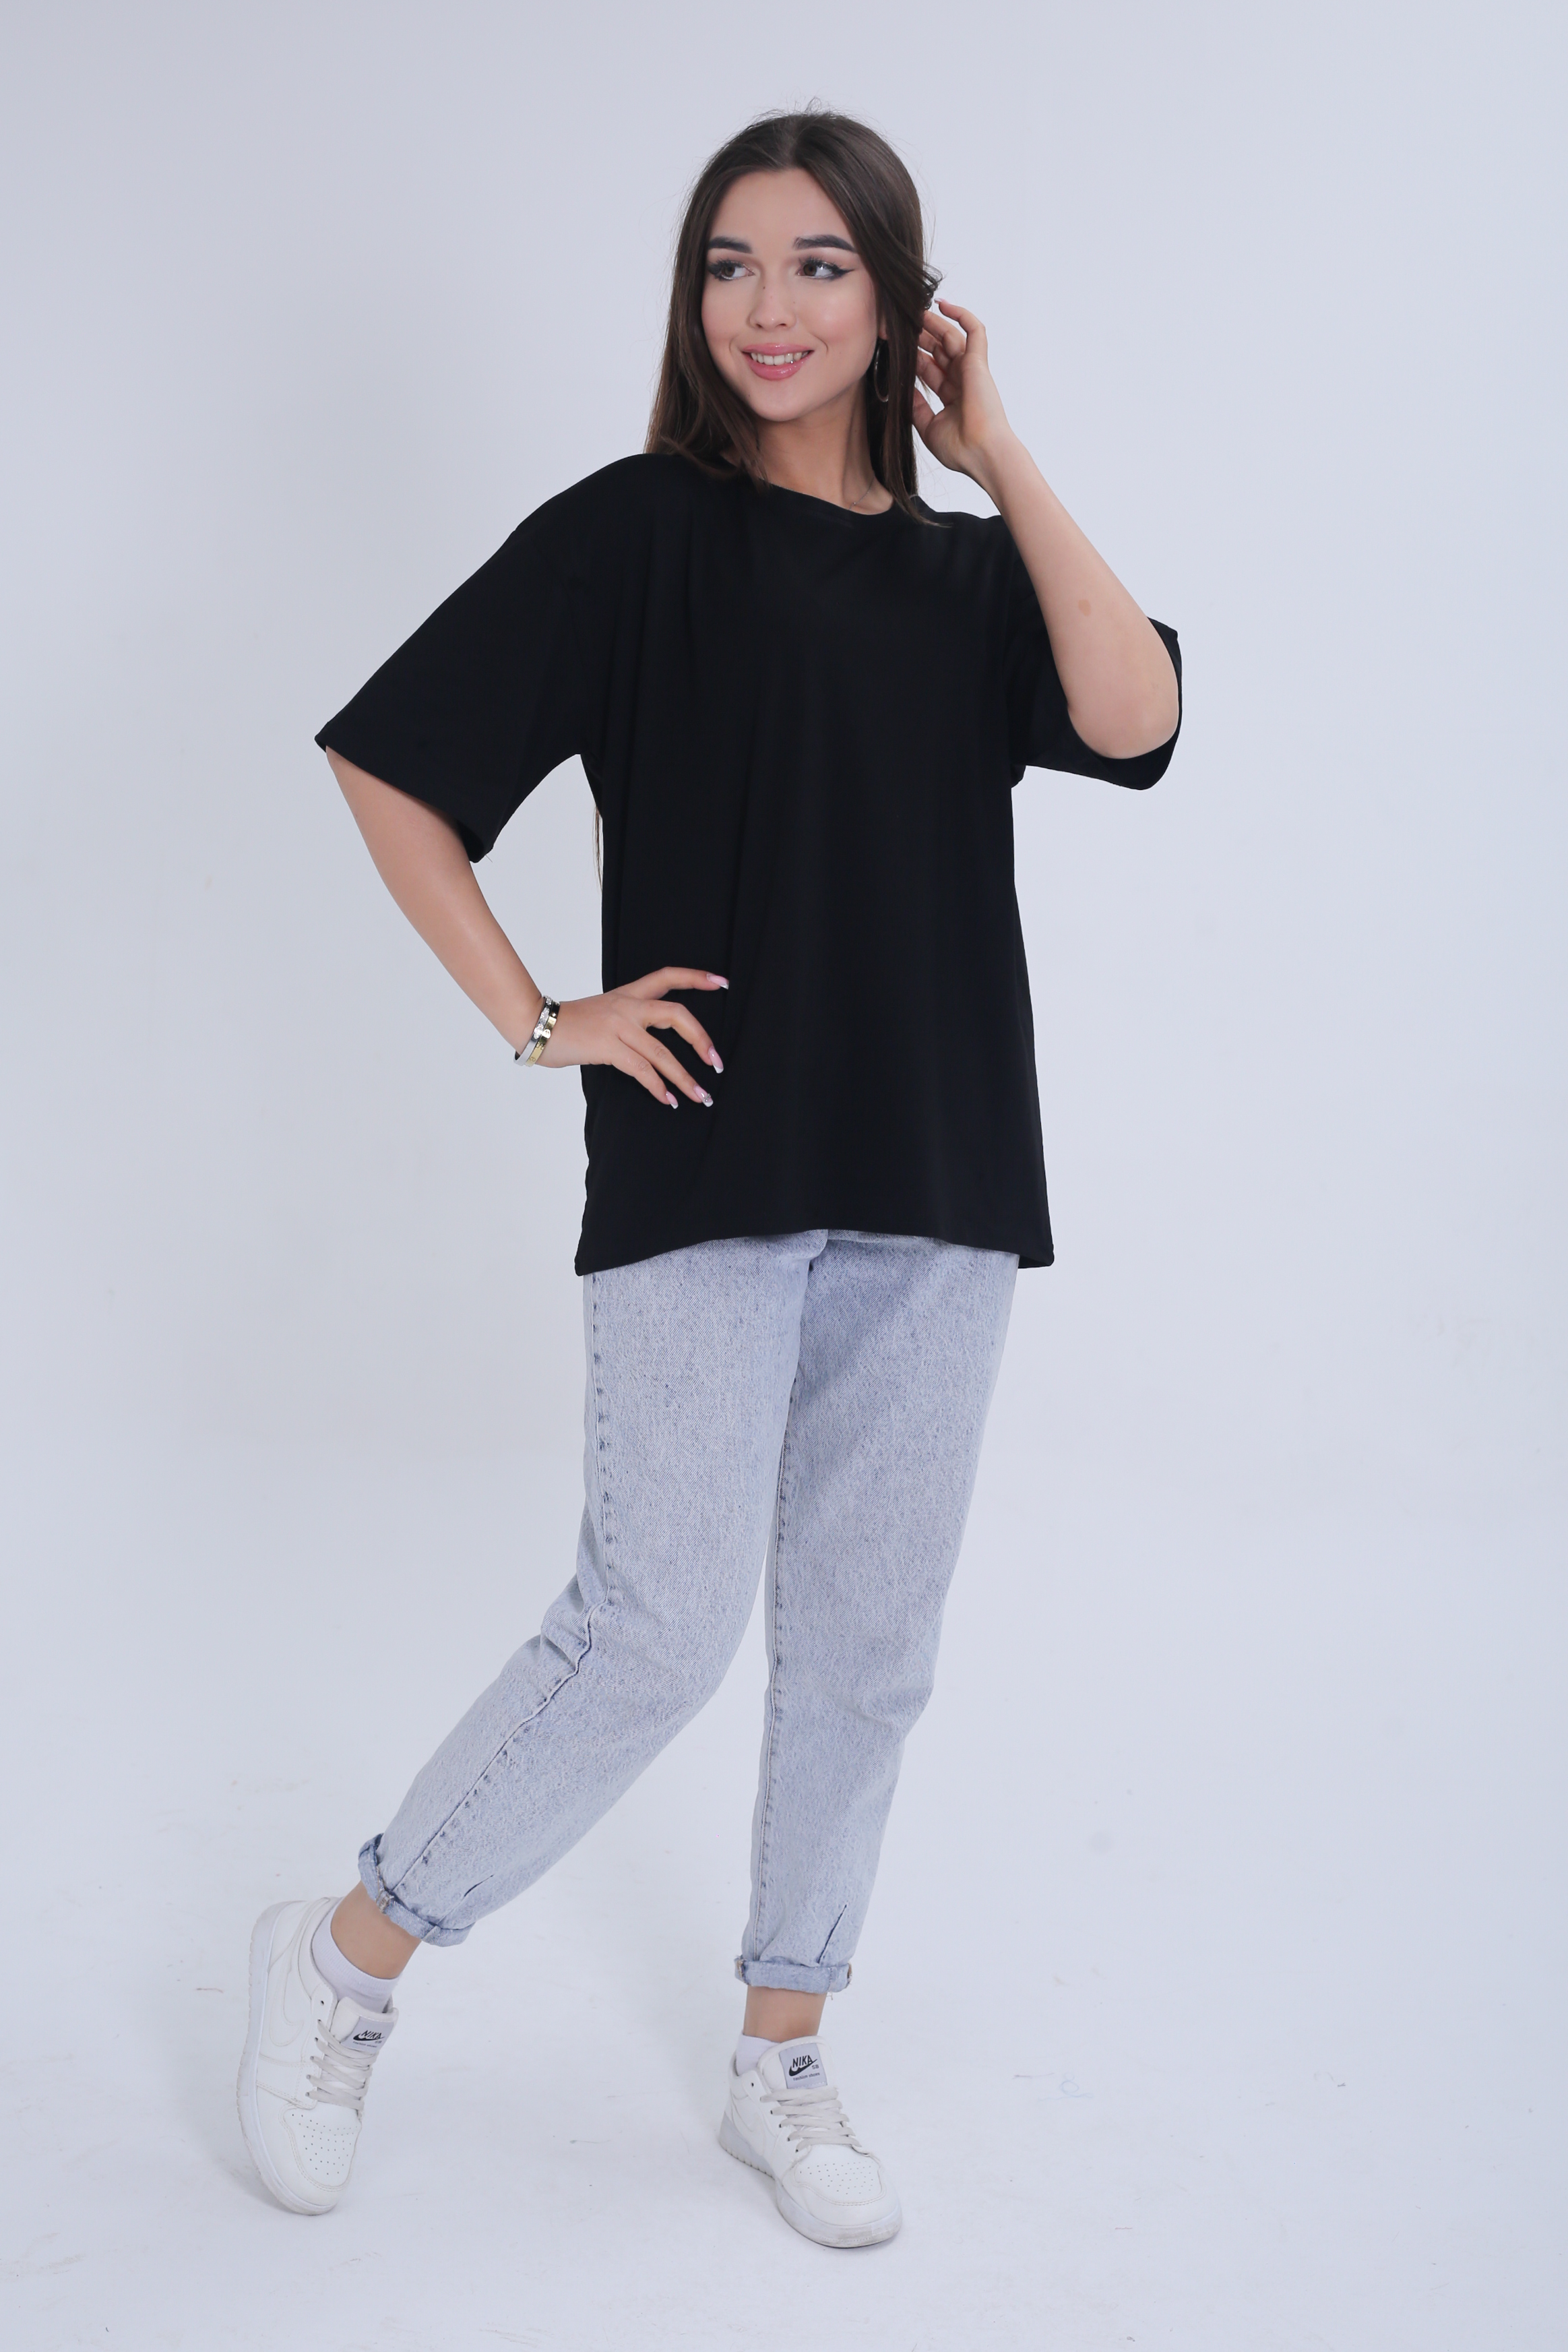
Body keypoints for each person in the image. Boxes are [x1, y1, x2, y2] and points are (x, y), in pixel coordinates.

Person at [236, 106, 1181, 2250]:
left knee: (868, 1646)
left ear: (900, 300)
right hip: (706, 1153)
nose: (768, 305)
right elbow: (390, 766)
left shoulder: (971, 578)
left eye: (821, 264)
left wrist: (999, 452)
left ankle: (785, 2047)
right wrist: (540, 1015)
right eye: (731, 263)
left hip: (941, 1168)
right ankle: (346, 1957)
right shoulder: (638, 535)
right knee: (651, 1627)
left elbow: (1133, 719)